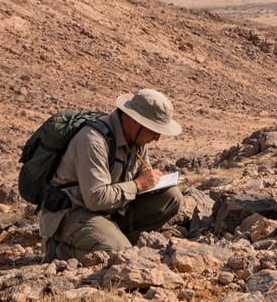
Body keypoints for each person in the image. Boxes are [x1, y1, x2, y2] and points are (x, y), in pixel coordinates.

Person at [41, 89, 184, 261]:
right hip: (73, 213)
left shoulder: (137, 141)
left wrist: (151, 184)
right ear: (134, 120)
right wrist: (138, 185)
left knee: (171, 197)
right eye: (154, 130)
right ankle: (58, 249)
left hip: (111, 210)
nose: (157, 138)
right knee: (118, 253)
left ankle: (114, 238)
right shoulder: (92, 142)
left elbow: (140, 175)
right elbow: (96, 198)